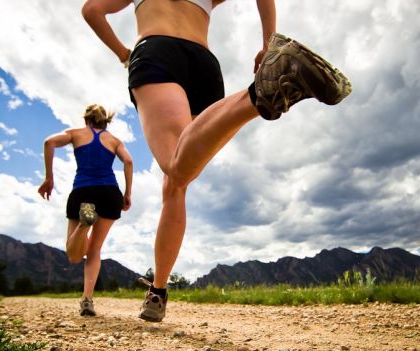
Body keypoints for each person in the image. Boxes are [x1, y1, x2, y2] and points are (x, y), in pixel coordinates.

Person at [82, 0, 352, 322]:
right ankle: (158, 291)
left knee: (174, 164)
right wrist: (268, 41)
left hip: (156, 51)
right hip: (204, 64)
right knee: (176, 184)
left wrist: (124, 54)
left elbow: (92, 10)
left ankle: (256, 96)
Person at [38, 104, 133, 317]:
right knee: (95, 250)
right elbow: (128, 160)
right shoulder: (114, 140)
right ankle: (87, 300)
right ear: (105, 120)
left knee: (74, 256)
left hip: (83, 192)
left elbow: (49, 142)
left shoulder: (75, 133)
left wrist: (49, 178)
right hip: (110, 193)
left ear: (86, 119)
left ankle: (83, 225)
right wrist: (127, 194)